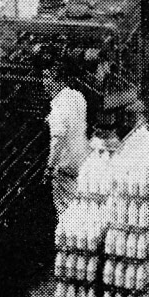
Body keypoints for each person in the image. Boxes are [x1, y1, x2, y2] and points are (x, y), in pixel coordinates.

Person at [43, 59, 89, 217]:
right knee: (82, 201)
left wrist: (49, 169)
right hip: (82, 159)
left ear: (59, 80)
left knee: (66, 213)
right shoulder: (78, 96)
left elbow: (58, 141)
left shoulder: (58, 109)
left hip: (65, 167)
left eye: (47, 78)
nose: (44, 83)